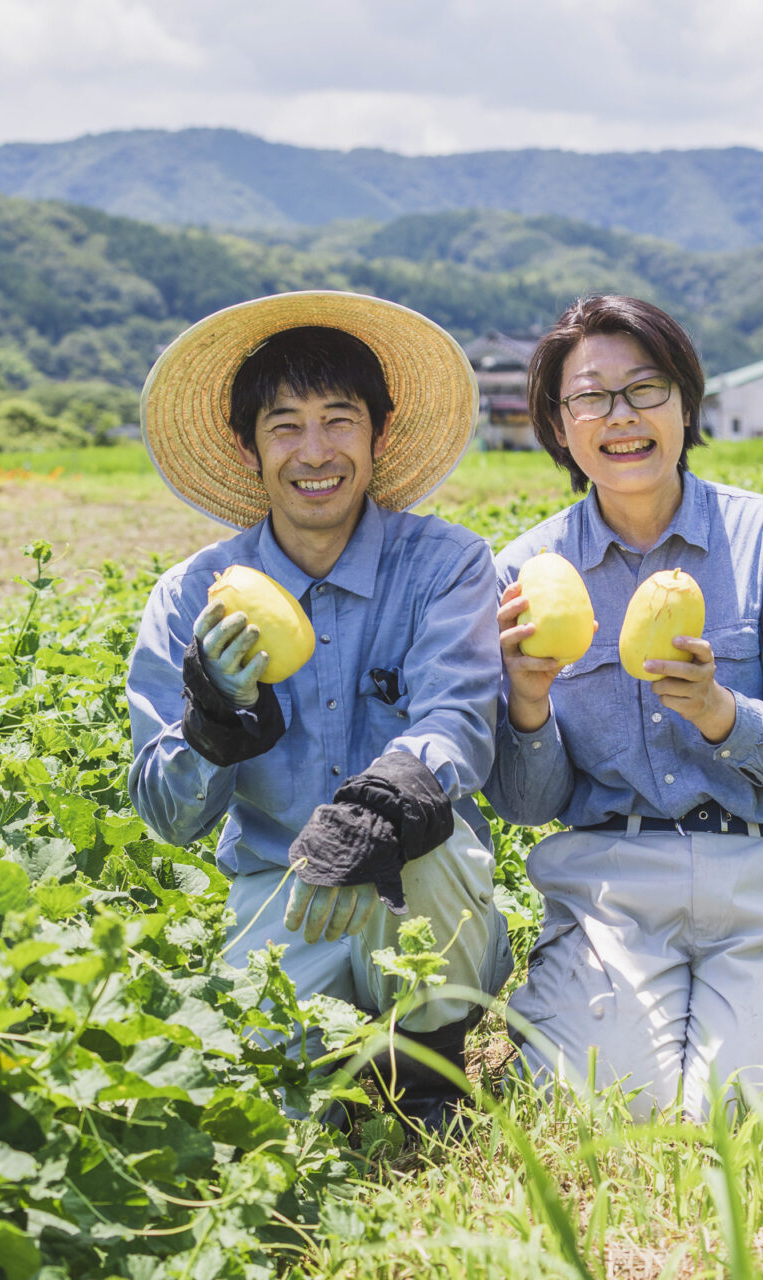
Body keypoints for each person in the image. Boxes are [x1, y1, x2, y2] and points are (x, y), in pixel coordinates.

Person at [126, 291, 513, 1129]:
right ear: (248, 447)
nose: (315, 451)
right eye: (284, 425)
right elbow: (166, 812)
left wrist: (373, 814)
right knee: (274, 1114)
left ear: (378, 433)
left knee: (424, 831)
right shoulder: (193, 595)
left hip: (419, 886)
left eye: (339, 420)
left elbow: (460, 724)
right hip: (281, 893)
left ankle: (430, 1075)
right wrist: (211, 722)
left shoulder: (446, 566)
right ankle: (338, 1068)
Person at [486, 293, 763, 1121]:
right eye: (590, 396)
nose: (620, 417)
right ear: (558, 424)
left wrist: (723, 712)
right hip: (611, 889)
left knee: (749, 1113)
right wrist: (529, 706)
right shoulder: (525, 573)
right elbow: (523, 804)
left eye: (645, 388)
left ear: (687, 403)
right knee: (606, 1105)